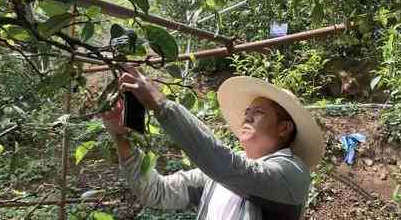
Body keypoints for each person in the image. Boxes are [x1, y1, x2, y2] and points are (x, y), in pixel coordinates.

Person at [101, 66, 324, 220]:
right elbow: (156, 191)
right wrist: (122, 137)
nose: (247, 116)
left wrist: (161, 104)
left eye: (258, 112)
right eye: (247, 111)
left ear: (284, 128)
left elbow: (232, 168)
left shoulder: (293, 173)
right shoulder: (213, 178)